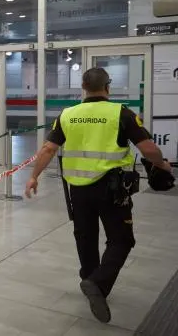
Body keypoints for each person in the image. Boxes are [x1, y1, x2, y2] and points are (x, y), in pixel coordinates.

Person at [25, 67, 173, 324]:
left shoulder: (68, 115)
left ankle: (89, 278)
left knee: (85, 235)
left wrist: (33, 176)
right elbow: (148, 148)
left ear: (83, 87)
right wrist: (163, 166)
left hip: (78, 189)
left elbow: (49, 148)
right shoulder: (121, 113)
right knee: (122, 239)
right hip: (112, 189)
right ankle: (97, 283)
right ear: (108, 87)